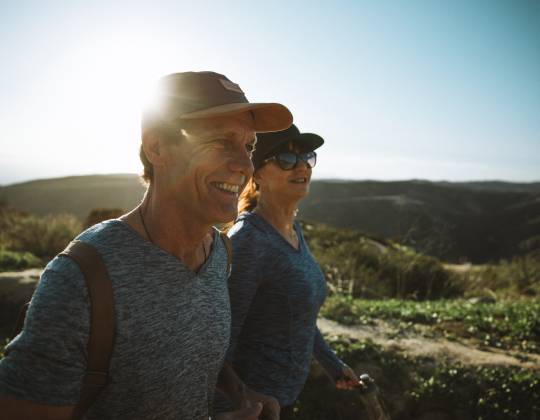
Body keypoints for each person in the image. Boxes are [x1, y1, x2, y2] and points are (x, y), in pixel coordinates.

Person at [0, 71, 293, 420]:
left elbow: (189, 355)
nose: (245, 165)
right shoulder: (82, 278)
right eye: (220, 142)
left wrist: (241, 394)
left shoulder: (218, 253)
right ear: (157, 147)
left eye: (248, 146)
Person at [218, 124, 360, 418]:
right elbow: (221, 337)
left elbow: (299, 316)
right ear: (257, 174)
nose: (301, 167)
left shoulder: (293, 231)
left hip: (285, 399)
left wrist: (333, 364)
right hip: (254, 408)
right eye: (286, 159)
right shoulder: (249, 241)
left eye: (307, 157)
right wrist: (241, 399)